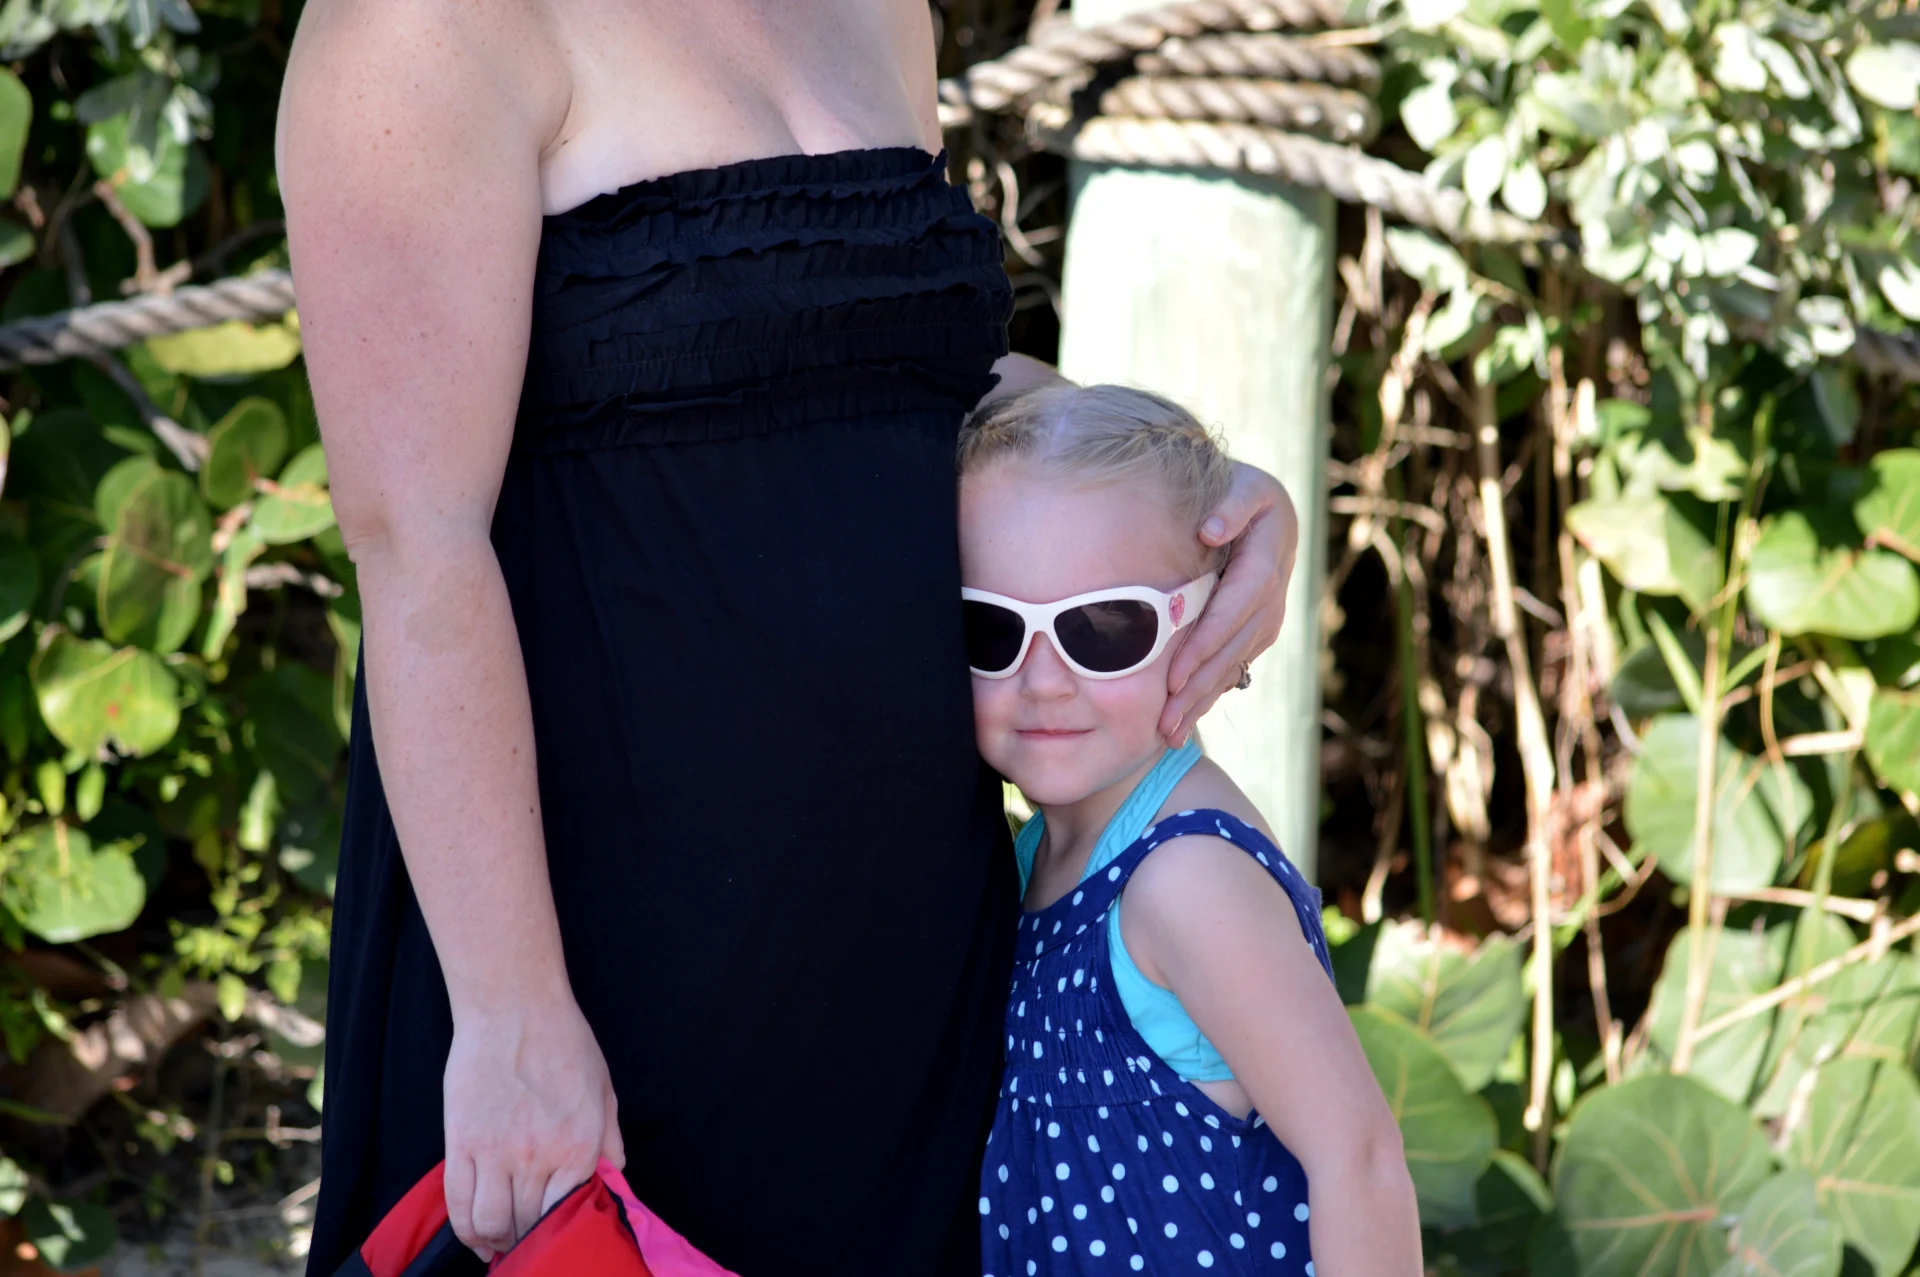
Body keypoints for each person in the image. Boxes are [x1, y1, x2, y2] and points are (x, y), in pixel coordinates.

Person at [275, 4, 1301, 1275]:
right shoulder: (420, 26)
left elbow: (907, 388)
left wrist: (1200, 489)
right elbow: (418, 543)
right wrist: (511, 1010)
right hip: (603, 950)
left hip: (911, 940)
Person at [961, 385, 1421, 1275]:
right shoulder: (1041, 851)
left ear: (1211, 617)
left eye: (1104, 627)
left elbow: (1359, 1160)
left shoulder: (1183, 878)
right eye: (991, 629)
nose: (1044, 680)